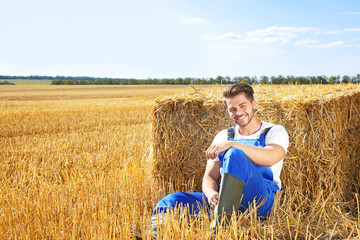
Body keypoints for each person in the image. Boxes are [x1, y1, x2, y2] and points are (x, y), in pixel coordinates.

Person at [151, 83, 289, 237]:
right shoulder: (223, 136)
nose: (238, 112)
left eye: (243, 106)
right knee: (171, 201)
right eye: (232, 109)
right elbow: (210, 176)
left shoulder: (273, 131)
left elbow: (270, 157)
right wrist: (211, 193)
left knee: (235, 154)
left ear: (254, 104)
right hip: (224, 198)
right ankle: (160, 235)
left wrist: (232, 145)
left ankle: (219, 228)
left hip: (259, 200)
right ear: (228, 112)